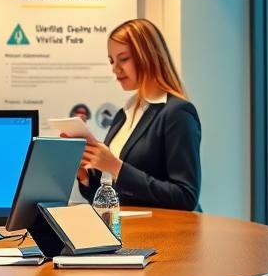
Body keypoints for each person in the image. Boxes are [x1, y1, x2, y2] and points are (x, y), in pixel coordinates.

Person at [75, 18, 201, 211]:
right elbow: (115, 197)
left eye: (123, 59)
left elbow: (185, 197)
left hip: (166, 236)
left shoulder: (177, 113)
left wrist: (116, 167)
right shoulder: (122, 115)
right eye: (111, 61)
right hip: (127, 232)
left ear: (148, 55)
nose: (115, 68)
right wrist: (84, 174)